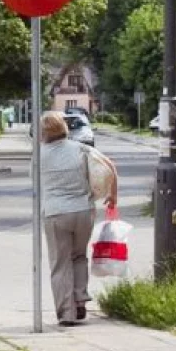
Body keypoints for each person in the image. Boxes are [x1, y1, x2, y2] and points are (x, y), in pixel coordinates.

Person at [37, 111, 118, 327]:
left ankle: (66, 313)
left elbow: (35, 186)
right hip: (83, 211)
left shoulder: (39, 155)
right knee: (79, 256)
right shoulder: (81, 148)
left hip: (56, 213)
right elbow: (109, 166)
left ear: (43, 132)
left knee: (60, 262)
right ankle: (80, 298)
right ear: (63, 127)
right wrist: (113, 197)